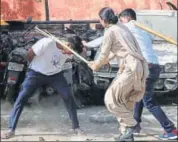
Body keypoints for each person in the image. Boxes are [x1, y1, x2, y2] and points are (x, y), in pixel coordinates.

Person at [1, 34, 84, 139]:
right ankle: (11, 129)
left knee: (69, 96)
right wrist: (35, 67)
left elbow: (81, 52)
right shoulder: (47, 43)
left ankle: (76, 128)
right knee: (21, 98)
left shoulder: (70, 50)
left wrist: (84, 46)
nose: (70, 54)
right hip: (36, 73)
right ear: (67, 44)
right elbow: (29, 55)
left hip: (55, 75)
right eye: (70, 52)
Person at [88, 7, 149, 141]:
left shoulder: (111, 30)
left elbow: (104, 53)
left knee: (110, 100)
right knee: (124, 102)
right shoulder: (121, 27)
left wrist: (96, 65)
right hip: (137, 67)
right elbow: (116, 50)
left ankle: (132, 125)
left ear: (103, 20)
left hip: (131, 68)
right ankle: (126, 135)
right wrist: (102, 61)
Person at [118, 8, 177, 140]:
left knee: (148, 101)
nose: (120, 22)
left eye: (121, 19)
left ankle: (171, 130)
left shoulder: (125, 28)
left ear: (126, 18)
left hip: (145, 69)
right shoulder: (143, 30)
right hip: (154, 66)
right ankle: (135, 125)